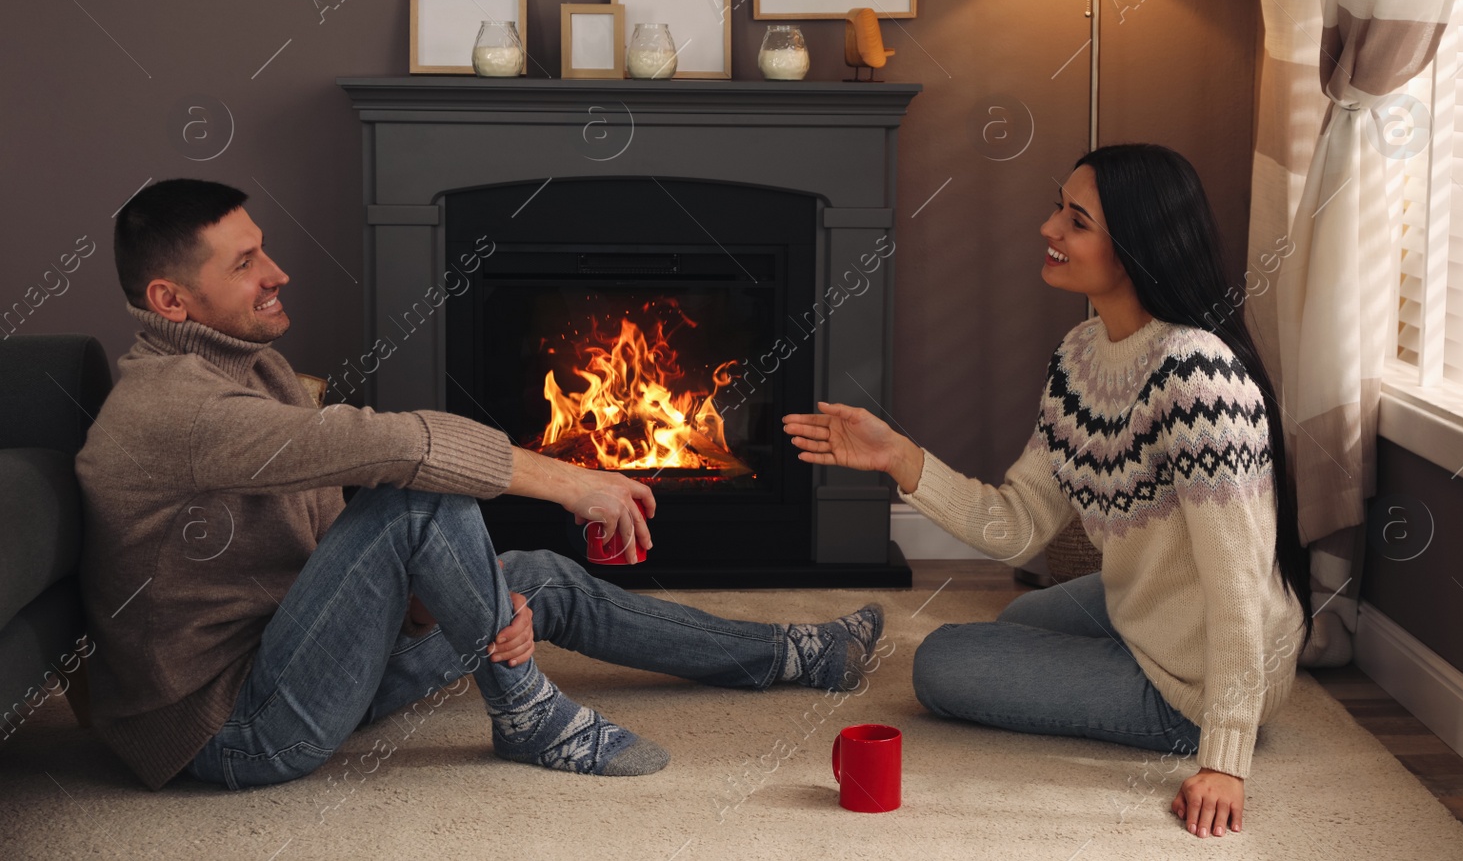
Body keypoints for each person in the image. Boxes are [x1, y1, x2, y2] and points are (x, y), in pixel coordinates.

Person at [77, 178, 882, 792]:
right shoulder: (173, 407)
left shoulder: (257, 369)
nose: (278, 271)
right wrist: (572, 482)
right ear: (169, 299)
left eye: (265, 248)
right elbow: (393, 445)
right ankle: (528, 711)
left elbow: (326, 567)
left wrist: (452, 602)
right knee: (416, 493)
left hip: (295, 660)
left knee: (533, 579)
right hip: (234, 729)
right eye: (245, 262)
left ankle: (789, 654)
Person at [784, 144, 1312, 840]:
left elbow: (1238, 580)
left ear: (1131, 247)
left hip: (1196, 677)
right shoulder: (1082, 355)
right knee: (1019, 620)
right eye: (1056, 209)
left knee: (944, 662)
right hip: (1148, 612)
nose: (1049, 229)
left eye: (1076, 219)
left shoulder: (1196, 377)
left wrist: (1225, 756)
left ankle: (1193, 715)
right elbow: (1021, 524)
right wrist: (901, 459)